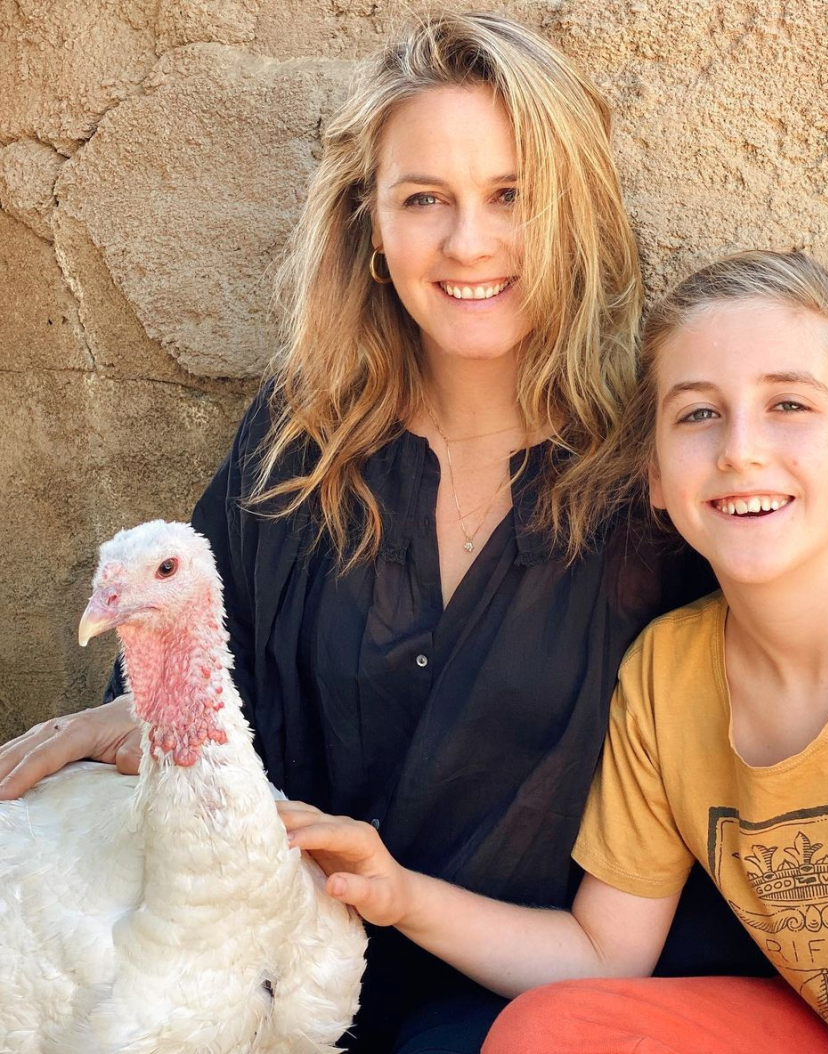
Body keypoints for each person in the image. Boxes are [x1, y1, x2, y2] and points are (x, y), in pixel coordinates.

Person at [0, 14, 774, 1053]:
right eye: (425, 200)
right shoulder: (293, 441)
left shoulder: (658, 472)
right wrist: (150, 734)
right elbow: (191, 696)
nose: (469, 243)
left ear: (576, 213)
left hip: (538, 1008)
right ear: (371, 223)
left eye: (511, 195)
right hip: (292, 992)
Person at [278, 250, 828, 1053]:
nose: (740, 449)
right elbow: (603, 953)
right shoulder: (666, 676)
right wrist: (398, 893)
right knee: (548, 1034)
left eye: (789, 404)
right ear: (657, 479)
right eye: (698, 414)